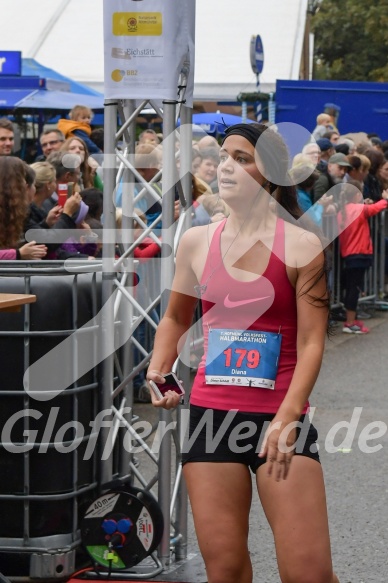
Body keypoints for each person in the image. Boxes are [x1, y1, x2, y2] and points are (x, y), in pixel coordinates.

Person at [146, 123, 339, 583]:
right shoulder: (196, 241)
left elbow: (313, 340)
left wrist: (289, 416)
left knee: (308, 574)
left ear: (269, 173)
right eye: (226, 156)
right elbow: (174, 317)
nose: (229, 167)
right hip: (212, 418)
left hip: (279, 416)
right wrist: (159, 367)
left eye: (244, 158)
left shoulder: (301, 245)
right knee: (226, 570)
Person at [337, 181, 388, 333]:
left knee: (352, 287)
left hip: (349, 254)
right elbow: (376, 208)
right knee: (354, 289)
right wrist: (385, 199)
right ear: (357, 195)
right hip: (360, 254)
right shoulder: (359, 209)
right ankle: (350, 322)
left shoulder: (342, 212)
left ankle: (351, 319)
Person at [0, 157, 47, 260]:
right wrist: (18, 254)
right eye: (21, 180)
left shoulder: (14, 212)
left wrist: (47, 223)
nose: (25, 185)